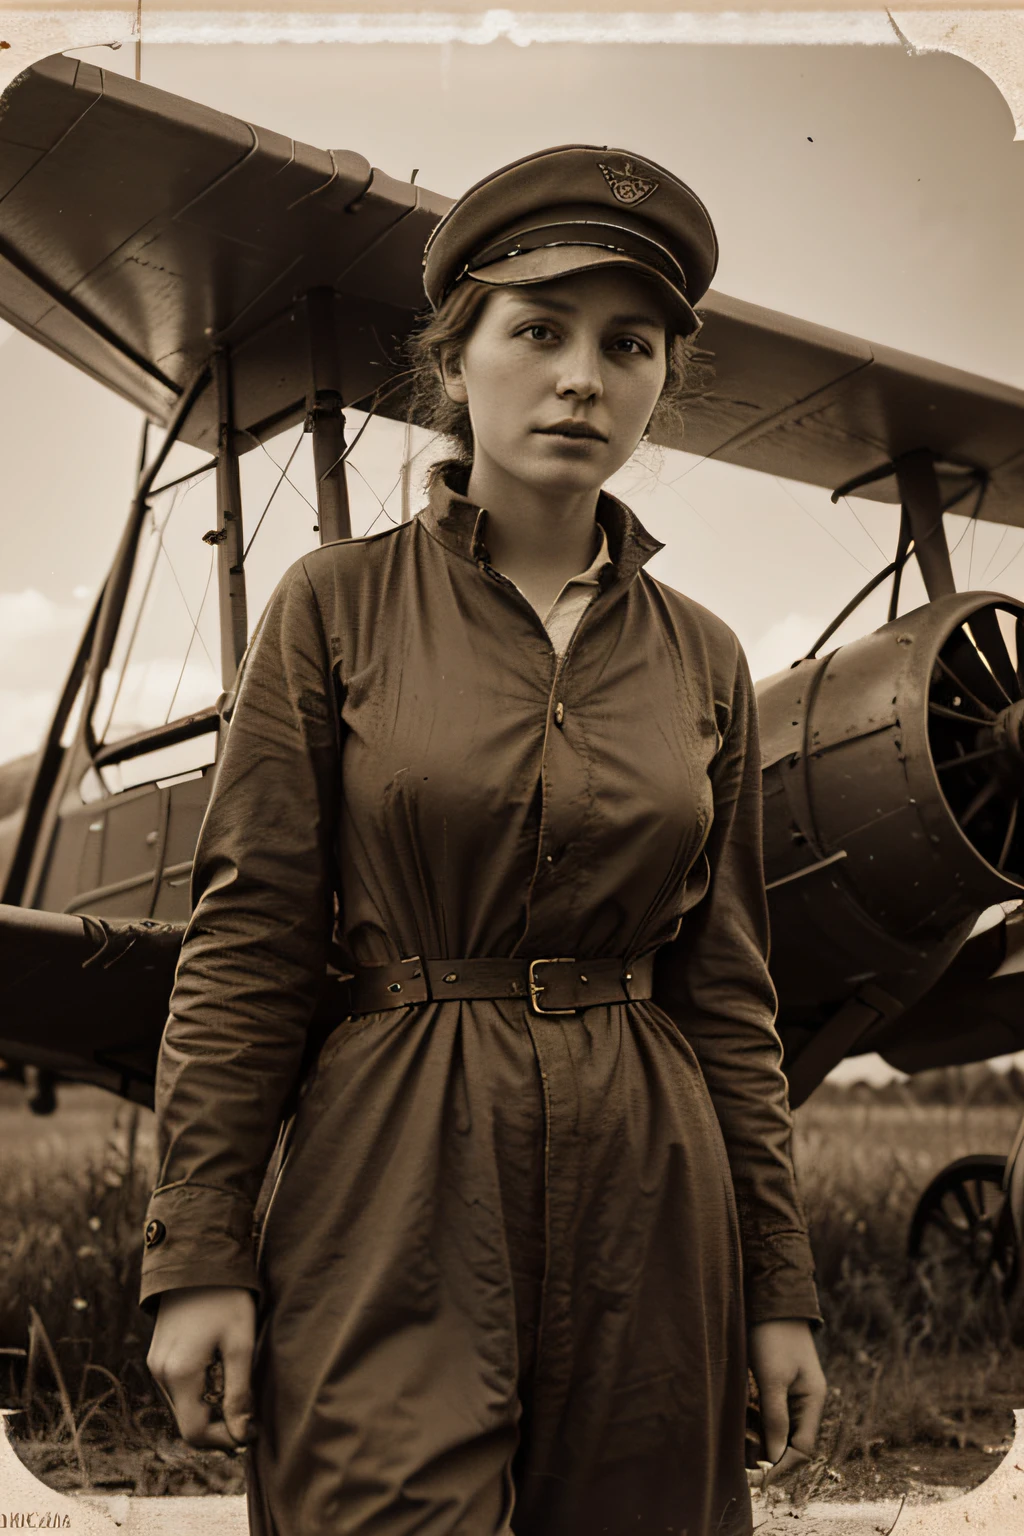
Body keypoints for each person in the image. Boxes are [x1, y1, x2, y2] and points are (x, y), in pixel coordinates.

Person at [142, 144, 827, 1536]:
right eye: (539, 331)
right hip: (392, 1169)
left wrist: (779, 1289)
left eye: (626, 344)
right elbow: (249, 943)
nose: (583, 376)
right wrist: (200, 1249)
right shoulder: (332, 609)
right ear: (456, 361)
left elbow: (731, 998)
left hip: (653, 1185)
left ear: (658, 386)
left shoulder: (706, 661)